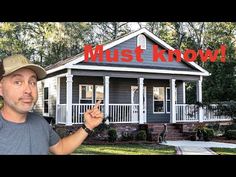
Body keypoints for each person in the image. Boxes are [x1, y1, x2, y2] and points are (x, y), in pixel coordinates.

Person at [0, 54, 104, 155]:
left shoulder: (40, 122)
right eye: (18, 82)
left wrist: (88, 126)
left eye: (32, 82)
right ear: (1, 89)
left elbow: (61, 148)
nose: (28, 90)